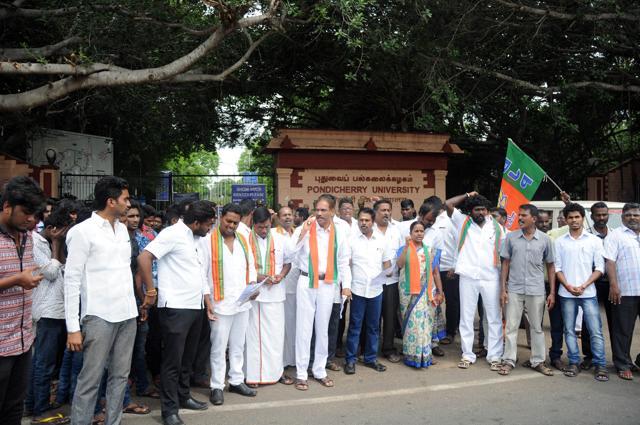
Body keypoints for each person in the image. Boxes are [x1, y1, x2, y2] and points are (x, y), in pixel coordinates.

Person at [64, 176, 144, 425]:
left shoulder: (122, 229)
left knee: (120, 377)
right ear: (111, 201)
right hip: (98, 316)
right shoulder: (81, 232)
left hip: (127, 314)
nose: (129, 204)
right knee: (90, 379)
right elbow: (71, 281)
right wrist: (72, 328)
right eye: (125, 199)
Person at [138, 200, 216, 425]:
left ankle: (183, 397)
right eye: (208, 224)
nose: (210, 228)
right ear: (196, 222)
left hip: (195, 306)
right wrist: (151, 290)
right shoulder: (172, 234)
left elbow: (199, 271)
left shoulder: (196, 238)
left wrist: (206, 298)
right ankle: (169, 410)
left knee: (187, 359)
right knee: (172, 361)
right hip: (175, 307)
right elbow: (144, 257)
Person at [294, 194, 351, 391]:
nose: (318, 214)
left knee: (323, 329)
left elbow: (343, 261)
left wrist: (346, 285)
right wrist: (303, 232)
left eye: (323, 210)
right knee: (304, 329)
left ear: (332, 212)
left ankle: (319, 370)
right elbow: (291, 254)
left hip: (328, 284)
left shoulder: (341, 231)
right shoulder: (306, 227)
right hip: (306, 281)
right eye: (316, 210)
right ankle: (301, 373)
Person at [0, 176, 46, 424]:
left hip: (23, 340)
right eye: (26, 213)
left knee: (14, 408)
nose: (31, 220)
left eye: (35, 215)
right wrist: (16, 280)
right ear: (7, 206)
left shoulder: (28, 238)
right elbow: (17, 278)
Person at [202, 203, 257, 406]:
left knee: (238, 345)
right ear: (220, 218)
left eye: (235, 222)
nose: (231, 225)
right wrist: (207, 300)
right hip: (220, 303)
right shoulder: (208, 241)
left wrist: (253, 286)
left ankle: (236, 380)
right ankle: (216, 385)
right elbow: (202, 273)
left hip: (242, 302)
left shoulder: (243, 240)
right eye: (228, 221)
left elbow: (251, 265)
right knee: (218, 347)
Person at [445, 192, 505, 370]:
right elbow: (448, 203)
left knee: (493, 317)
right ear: (470, 211)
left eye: (484, 210)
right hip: (468, 276)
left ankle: (494, 355)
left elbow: (503, 253)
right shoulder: (462, 221)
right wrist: (467, 195)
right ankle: (467, 355)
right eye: (477, 209)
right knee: (467, 317)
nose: (481, 213)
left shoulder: (496, 227)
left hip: (491, 277)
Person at [498, 204, 555, 376]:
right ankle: (508, 360)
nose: (520, 218)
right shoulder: (511, 238)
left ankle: (538, 361)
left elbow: (551, 266)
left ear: (534, 219)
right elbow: (505, 264)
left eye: (524, 215)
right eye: (519, 215)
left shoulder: (545, 240)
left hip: (536, 290)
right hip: (514, 288)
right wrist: (503, 289)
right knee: (511, 327)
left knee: (536, 327)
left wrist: (552, 292)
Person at [27, 206, 72, 424]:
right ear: (53, 229)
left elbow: (64, 266)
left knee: (43, 363)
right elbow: (51, 272)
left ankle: (32, 405)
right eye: (62, 232)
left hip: (56, 311)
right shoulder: (37, 243)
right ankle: (40, 410)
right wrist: (56, 244)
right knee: (43, 364)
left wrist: (58, 245)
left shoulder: (51, 243)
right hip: (47, 311)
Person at [554, 203, 608, 381]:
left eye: (577, 217)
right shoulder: (560, 242)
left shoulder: (594, 241)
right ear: (566, 220)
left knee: (595, 331)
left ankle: (600, 365)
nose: (574, 220)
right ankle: (574, 362)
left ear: (583, 218)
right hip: (566, 293)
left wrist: (584, 285)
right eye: (570, 217)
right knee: (569, 330)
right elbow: (557, 268)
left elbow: (600, 268)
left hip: (589, 292)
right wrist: (568, 286)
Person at [245, 207, 293, 386]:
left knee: (276, 336)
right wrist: (259, 277)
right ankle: (254, 376)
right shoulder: (245, 240)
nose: (263, 231)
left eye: (266, 227)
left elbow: (288, 263)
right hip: (256, 294)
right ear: (253, 224)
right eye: (259, 227)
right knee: (255, 337)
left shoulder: (281, 239)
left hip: (276, 294)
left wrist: (281, 275)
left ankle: (276, 372)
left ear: (271, 223)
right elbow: (242, 266)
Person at [344, 208, 393, 374]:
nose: (363, 223)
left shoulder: (381, 240)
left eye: (366, 220)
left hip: (376, 290)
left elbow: (386, 263)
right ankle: (350, 360)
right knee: (355, 326)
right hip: (357, 290)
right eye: (361, 220)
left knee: (373, 327)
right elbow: (347, 265)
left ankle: (370, 358)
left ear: (373, 222)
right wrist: (347, 286)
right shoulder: (351, 240)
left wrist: (389, 271)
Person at [396, 221, 444, 368]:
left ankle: (425, 354)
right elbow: (399, 265)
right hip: (408, 293)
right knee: (412, 324)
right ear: (410, 234)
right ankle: (411, 354)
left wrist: (441, 292)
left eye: (421, 231)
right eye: (416, 231)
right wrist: (405, 247)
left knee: (425, 324)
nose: (419, 234)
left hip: (426, 293)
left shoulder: (430, 251)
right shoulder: (403, 249)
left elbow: (435, 273)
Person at [605, 203, 640, 380]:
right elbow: (610, 262)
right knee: (623, 330)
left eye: (636, 215)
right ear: (622, 217)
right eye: (628, 215)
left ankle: (637, 361)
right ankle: (622, 364)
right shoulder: (616, 236)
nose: (632, 218)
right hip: (625, 291)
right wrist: (613, 285)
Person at [580, 202, 613, 371]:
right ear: (591, 216)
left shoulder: (615, 235)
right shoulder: (585, 236)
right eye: (598, 215)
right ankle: (589, 356)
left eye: (604, 215)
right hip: (592, 283)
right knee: (588, 321)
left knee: (616, 322)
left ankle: (620, 357)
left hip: (612, 285)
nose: (601, 218)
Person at [373, 199, 404, 363]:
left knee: (390, 316)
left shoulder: (396, 230)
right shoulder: (368, 229)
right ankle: (368, 349)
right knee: (372, 317)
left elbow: (401, 253)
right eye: (382, 210)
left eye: (388, 210)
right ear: (375, 212)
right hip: (373, 281)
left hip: (392, 281)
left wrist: (395, 269)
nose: (386, 213)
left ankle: (389, 348)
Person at [276, 207, 301, 369]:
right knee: (282, 325)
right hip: (281, 287)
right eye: (284, 215)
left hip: (299, 285)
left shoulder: (299, 232)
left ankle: (294, 359)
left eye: (290, 215)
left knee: (296, 325)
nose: (287, 218)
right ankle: (282, 360)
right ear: (278, 218)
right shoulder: (273, 234)